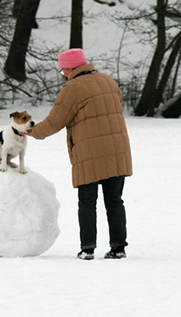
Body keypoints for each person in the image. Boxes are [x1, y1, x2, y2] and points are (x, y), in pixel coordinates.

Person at [27, 49, 137, 260]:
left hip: (90, 151)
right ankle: (118, 247)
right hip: (117, 148)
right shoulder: (108, 81)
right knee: (115, 200)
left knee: (87, 201)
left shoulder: (73, 88)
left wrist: (34, 132)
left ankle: (87, 248)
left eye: (63, 70)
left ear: (69, 68)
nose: (63, 73)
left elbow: (56, 121)